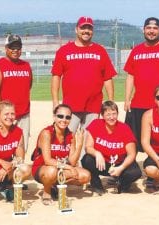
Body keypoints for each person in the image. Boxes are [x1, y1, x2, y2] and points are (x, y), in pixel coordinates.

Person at [51, 16, 117, 154]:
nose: (86, 31)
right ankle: (65, 165)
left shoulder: (100, 51)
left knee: (88, 139)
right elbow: (56, 76)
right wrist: (56, 101)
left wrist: (110, 100)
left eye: (89, 28)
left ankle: (83, 169)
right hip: (71, 105)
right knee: (67, 137)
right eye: (83, 28)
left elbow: (108, 78)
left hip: (94, 105)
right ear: (76, 29)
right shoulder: (64, 50)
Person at [123, 17, 159, 153]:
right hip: (137, 103)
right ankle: (129, 167)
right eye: (148, 28)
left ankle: (154, 166)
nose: (151, 31)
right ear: (143, 30)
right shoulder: (136, 50)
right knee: (131, 140)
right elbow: (130, 76)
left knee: (157, 140)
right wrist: (127, 99)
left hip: (158, 103)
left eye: (155, 28)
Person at [31, 104, 90, 205]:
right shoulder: (47, 133)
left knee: (85, 176)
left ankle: (55, 185)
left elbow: (72, 161)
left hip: (60, 169)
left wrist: (80, 145)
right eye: (60, 116)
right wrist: (69, 167)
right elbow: (48, 160)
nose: (64, 120)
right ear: (54, 117)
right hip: (43, 169)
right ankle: (46, 192)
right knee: (51, 171)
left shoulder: (70, 135)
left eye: (68, 117)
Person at [81, 101, 142, 195]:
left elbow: (132, 154)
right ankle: (96, 184)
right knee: (86, 160)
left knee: (135, 172)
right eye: (108, 114)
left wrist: (121, 168)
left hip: (119, 163)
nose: (111, 117)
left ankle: (122, 184)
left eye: (114, 114)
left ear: (118, 114)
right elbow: (88, 147)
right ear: (102, 115)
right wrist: (97, 153)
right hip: (102, 163)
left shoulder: (124, 128)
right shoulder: (96, 124)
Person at [0, 34, 33, 153]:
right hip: (4, 115)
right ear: (6, 48)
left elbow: (28, 86)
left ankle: (18, 170)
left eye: (18, 48)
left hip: (23, 114)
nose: (15, 50)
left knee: (21, 149)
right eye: (12, 47)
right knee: (2, 149)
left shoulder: (26, 66)